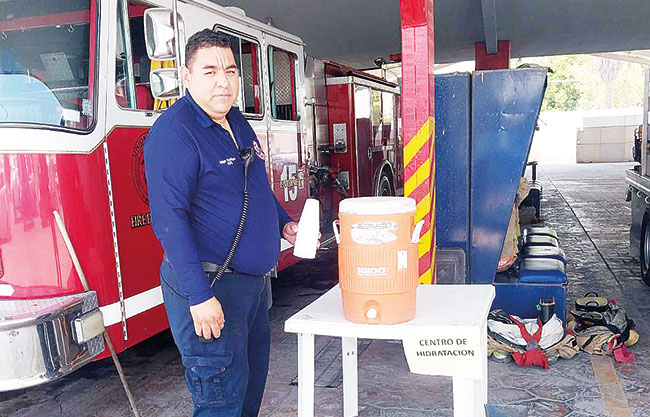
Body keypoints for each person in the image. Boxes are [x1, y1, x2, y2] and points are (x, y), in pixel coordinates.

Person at [144, 29, 301, 417]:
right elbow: (169, 220)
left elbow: (253, 186)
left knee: (247, 397)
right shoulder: (175, 132)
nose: (223, 82)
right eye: (210, 71)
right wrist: (199, 296)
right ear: (186, 75)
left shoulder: (235, 120)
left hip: (251, 287)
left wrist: (283, 223)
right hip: (211, 285)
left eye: (230, 71)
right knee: (220, 403)